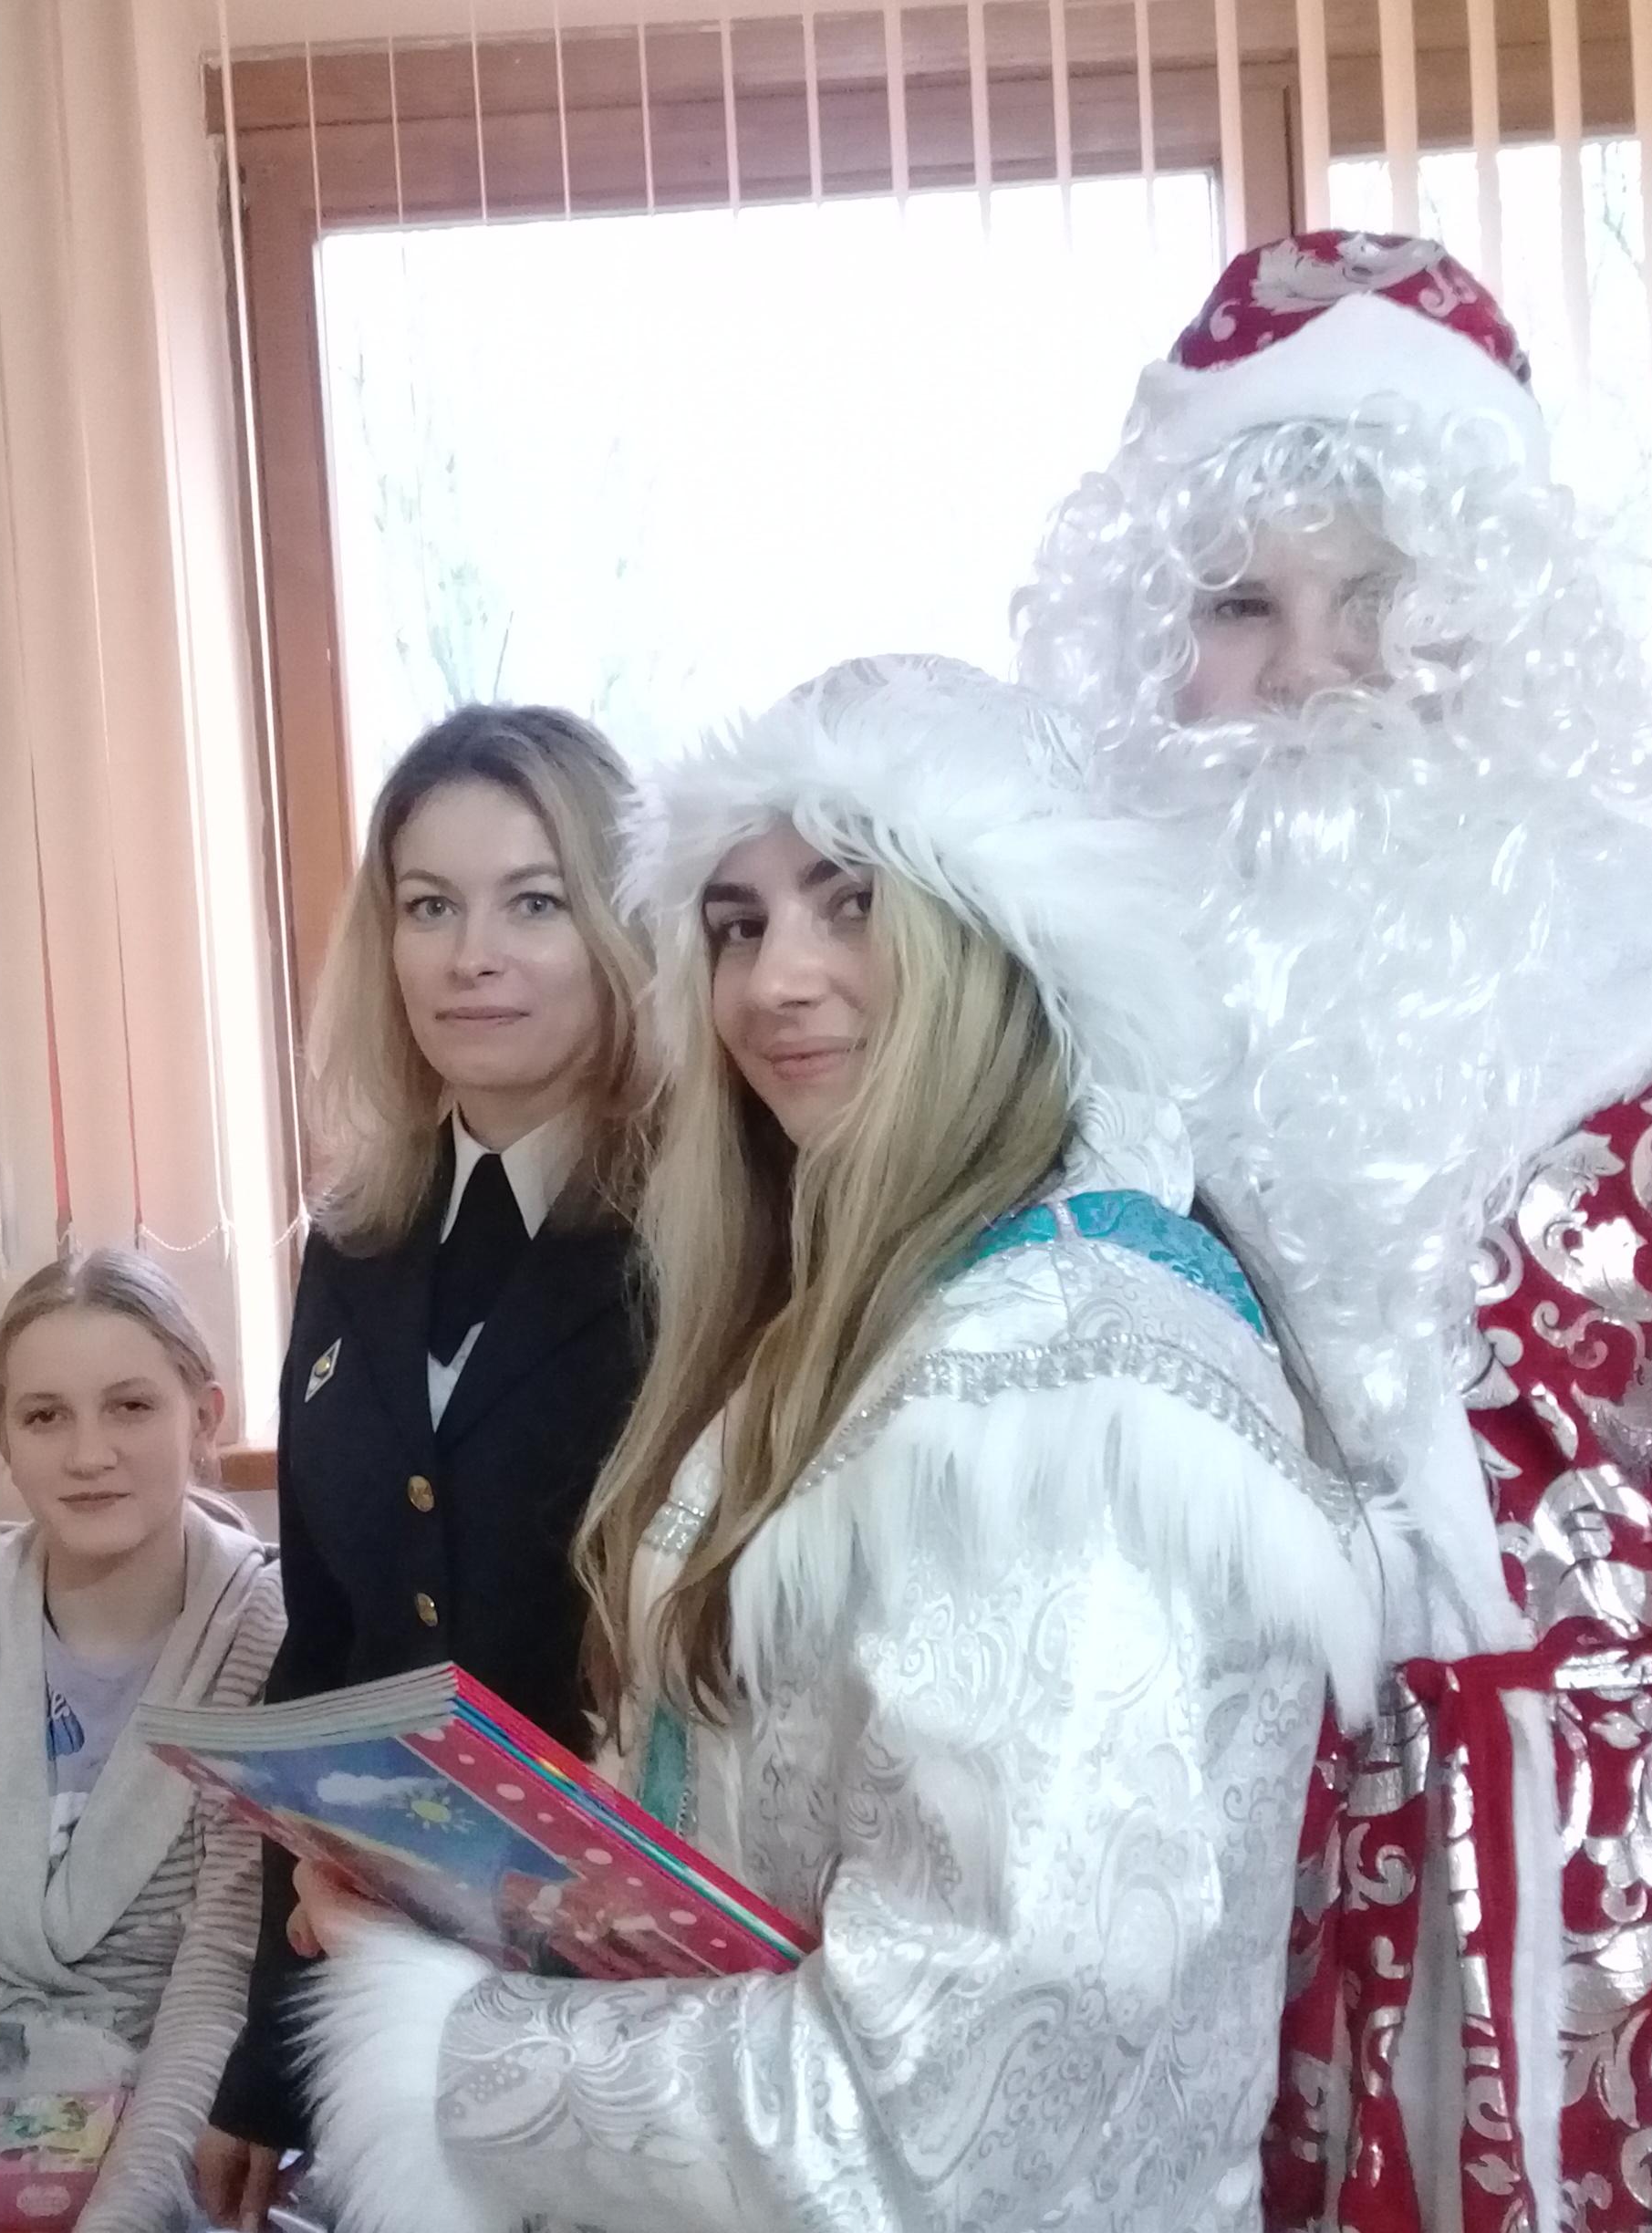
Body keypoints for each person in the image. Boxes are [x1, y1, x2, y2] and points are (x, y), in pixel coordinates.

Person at [1020, 231, 1652, 2233]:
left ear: (1503, 625)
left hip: (1645, 2026)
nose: (1308, 674)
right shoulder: (1070, 1063)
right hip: (1186, 2008)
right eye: (1235, 605)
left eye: (1383, 597)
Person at [281, 656, 1396, 2233]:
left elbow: (932, 2109)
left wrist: (452, 2045)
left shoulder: (1052, 1403)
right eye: (736, 924)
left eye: (852, 903)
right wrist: (498, 1903)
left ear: (1005, 932)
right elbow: (784, 1834)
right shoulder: (891, 1316)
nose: (773, 982)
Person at [195, 706, 658, 2231]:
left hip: (633, 2009)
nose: (474, 956)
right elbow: (325, 1666)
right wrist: (273, 2056)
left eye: (534, 901)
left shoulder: (708, 1237)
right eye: (429, 905)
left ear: (619, 927)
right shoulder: (356, 1238)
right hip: (393, 1990)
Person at [0, 1249, 286, 2233]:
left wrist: (125, 2217)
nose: (89, 1455)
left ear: (203, 1417)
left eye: (131, 1407)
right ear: (3, 1437)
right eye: (45, 1417)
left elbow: (219, 1982)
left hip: (188, 2115)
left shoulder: (277, 1654)